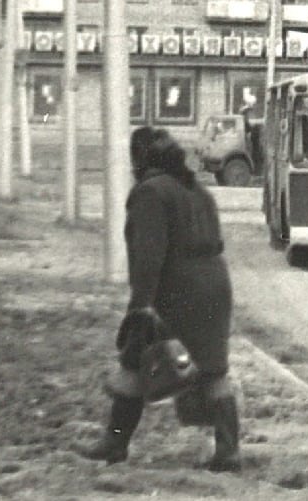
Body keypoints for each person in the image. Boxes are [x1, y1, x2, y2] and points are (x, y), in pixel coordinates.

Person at [82, 126, 241, 473]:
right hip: (215, 285)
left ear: (140, 160)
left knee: (134, 361)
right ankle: (228, 451)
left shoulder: (150, 193)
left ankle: (115, 442)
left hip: (178, 288)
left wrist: (139, 305)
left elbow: (148, 255)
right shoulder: (198, 190)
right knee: (213, 369)